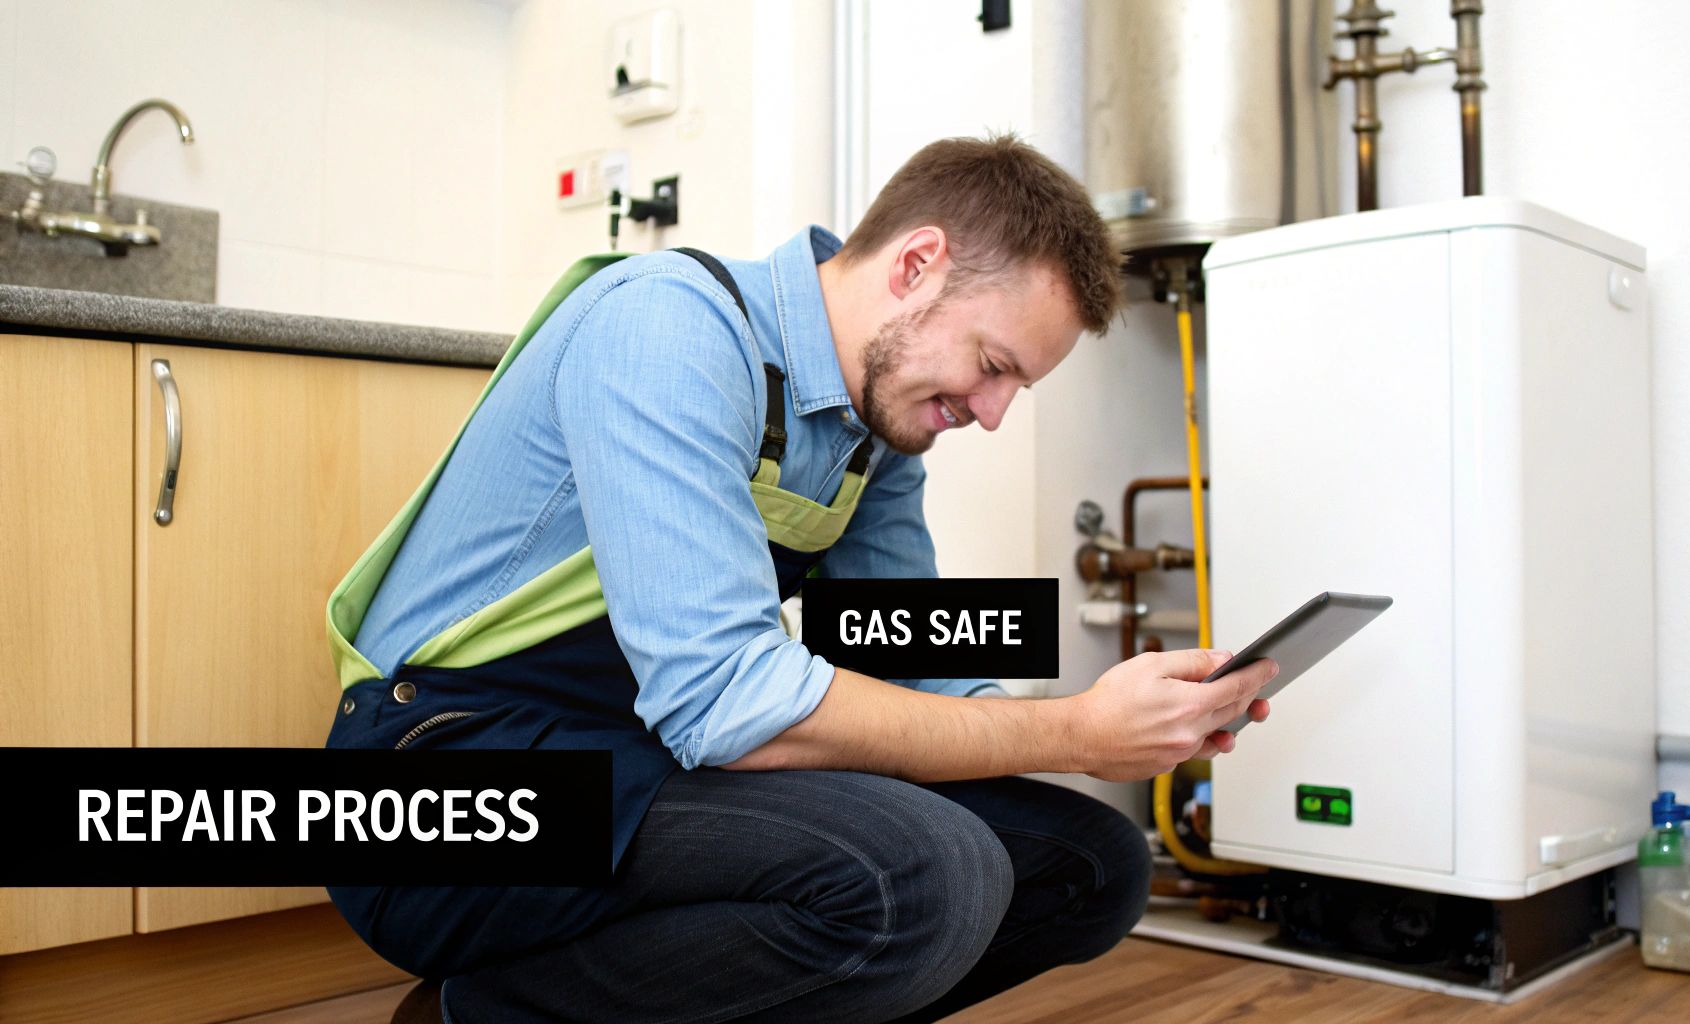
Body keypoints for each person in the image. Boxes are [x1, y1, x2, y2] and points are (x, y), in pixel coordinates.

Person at [322, 134, 1276, 1023]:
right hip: (447, 789)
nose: (991, 414)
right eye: (993, 366)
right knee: (927, 874)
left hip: (634, 762)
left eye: (1014, 387)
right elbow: (726, 700)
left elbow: (917, 660)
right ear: (916, 265)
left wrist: (1131, 723)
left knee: (1093, 863)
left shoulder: (877, 434)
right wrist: (1073, 733)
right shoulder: (668, 327)